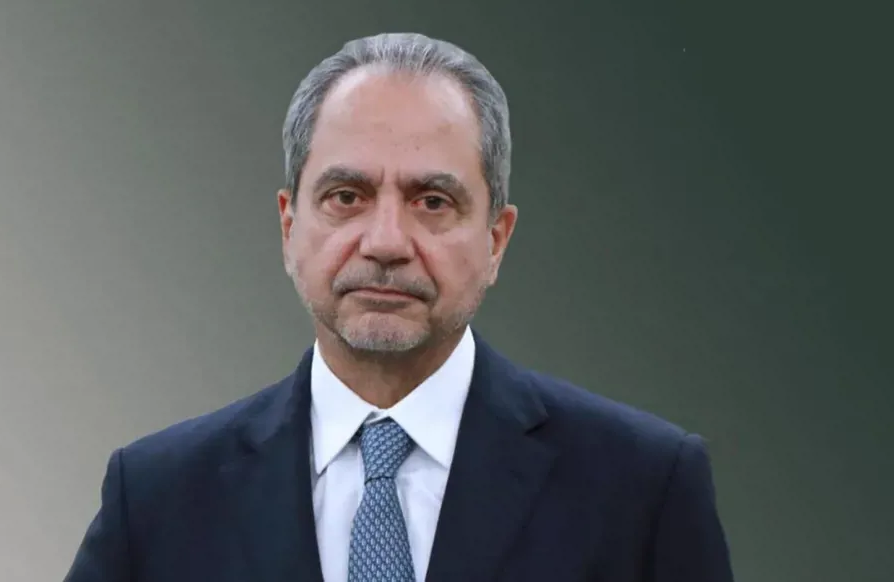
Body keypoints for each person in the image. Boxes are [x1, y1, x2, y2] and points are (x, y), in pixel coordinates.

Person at [64, 32, 733, 582]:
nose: (386, 242)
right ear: (289, 225)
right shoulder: (156, 498)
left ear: (496, 240)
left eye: (432, 202)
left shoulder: (642, 490)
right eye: (346, 197)